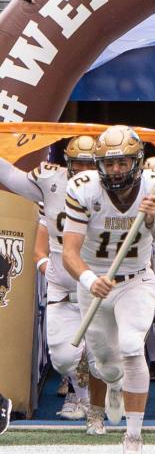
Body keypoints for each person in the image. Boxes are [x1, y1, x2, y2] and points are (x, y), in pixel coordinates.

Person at [62, 126, 155, 454]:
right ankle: (113, 385)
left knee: (130, 347)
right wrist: (88, 279)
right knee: (105, 365)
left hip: (136, 280)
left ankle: (133, 435)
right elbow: (69, 251)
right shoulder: (83, 188)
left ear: (137, 161)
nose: (115, 170)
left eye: (123, 163)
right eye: (109, 163)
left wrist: (154, 223)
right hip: (94, 282)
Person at [0, 136, 100, 429]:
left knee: (103, 353)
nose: (82, 169)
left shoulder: (109, 188)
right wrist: (47, 266)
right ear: (66, 162)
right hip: (63, 284)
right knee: (63, 358)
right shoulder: (51, 181)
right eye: (77, 162)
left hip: (94, 280)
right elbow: (9, 175)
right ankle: (83, 398)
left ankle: (95, 406)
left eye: (88, 163)